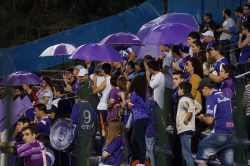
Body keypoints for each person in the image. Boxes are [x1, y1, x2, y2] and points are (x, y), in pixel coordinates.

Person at [195, 78, 236, 166]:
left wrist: (202, 118)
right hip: (231, 134)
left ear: (205, 88)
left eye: (201, 90)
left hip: (219, 133)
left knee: (200, 157)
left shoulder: (211, 97)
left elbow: (209, 121)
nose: (201, 93)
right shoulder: (225, 95)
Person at [177, 82, 202, 166]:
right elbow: (199, 107)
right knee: (185, 153)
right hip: (188, 129)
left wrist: (186, 118)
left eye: (179, 89)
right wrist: (192, 115)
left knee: (186, 153)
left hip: (185, 129)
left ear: (182, 90)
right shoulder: (191, 99)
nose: (178, 91)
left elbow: (191, 108)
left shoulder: (184, 99)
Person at [70, 85, 96, 166]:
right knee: (86, 154)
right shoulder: (91, 106)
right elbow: (93, 119)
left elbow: (73, 120)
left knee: (81, 155)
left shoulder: (77, 105)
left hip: (80, 132)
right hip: (88, 132)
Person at [128, 75, 149, 165]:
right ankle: (141, 157)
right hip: (144, 118)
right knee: (133, 141)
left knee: (140, 142)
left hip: (138, 118)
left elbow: (130, 106)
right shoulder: (146, 94)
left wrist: (128, 99)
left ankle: (142, 162)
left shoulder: (134, 93)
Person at [92, 63, 112, 130]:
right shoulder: (112, 79)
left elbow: (94, 91)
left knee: (102, 129)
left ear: (103, 71)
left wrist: (94, 81)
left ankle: (103, 140)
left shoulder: (105, 81)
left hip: (103, 106)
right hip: (109, 107)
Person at [172, 70, 185, 166]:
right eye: (173, 79)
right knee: (175, 150)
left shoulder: (185, 94)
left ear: (182, 80)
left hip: (184, 126)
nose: (174, 81)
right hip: (177, 125)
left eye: (176, 79)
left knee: (182, 152)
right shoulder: (175, 91)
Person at [159, 44, 174, 129]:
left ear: (166, 47)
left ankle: (169, 123)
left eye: (162, 45)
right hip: (169, 83)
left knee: (167, 105)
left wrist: (156, 70)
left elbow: (165, 70)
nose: (160, 47)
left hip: (168, 84)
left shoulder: (169, 56)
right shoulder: (168, 56)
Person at [146, 87, 158, 166]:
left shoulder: (147, 105)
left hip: (149, 131)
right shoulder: (155, 103)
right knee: (150, 150)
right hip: (155, 130)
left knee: (149, 151)